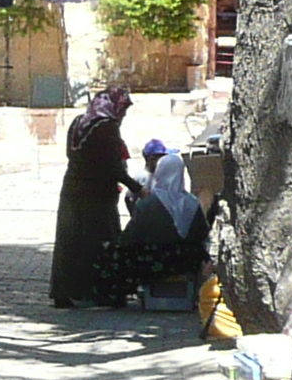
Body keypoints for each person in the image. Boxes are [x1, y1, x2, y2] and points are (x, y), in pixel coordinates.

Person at [50, 85, 136, 307]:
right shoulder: (107, 127)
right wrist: (139, 188)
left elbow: (72, 155)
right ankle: (104, 293)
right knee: (103, 242)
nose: (123, 116)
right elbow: (114, 167)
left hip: (72, 190)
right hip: (97, 195)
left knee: (70, 242)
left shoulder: (79, 122)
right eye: (122, 110)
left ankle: (65, 293)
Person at [105, 135, 204, 301]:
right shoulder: (192, 203)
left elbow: (129, 237)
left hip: (152, 264)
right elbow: (202, 233)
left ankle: (115, 293)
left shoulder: (149, 203)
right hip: (186, 263)